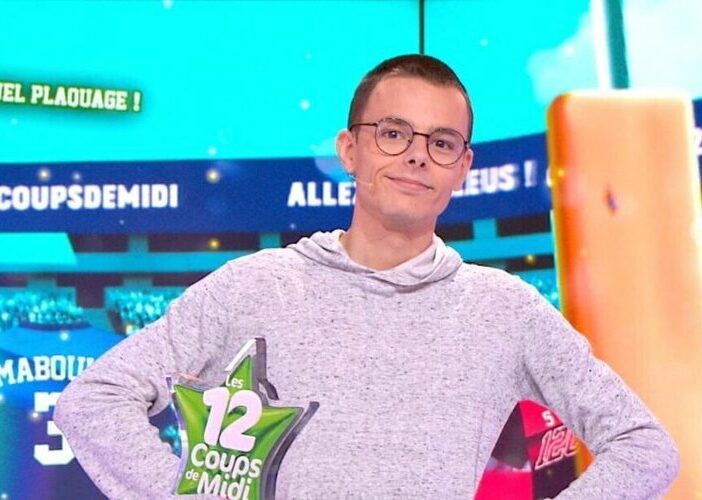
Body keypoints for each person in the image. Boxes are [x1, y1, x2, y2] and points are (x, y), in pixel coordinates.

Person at [55, 54, 679, 498]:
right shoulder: (252, 288)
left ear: (462, 167)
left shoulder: (505, 310)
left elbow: (644, 447)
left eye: (441, 143)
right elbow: (94, 401)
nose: (416, 155)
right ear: (350, 150)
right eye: (393, 133)